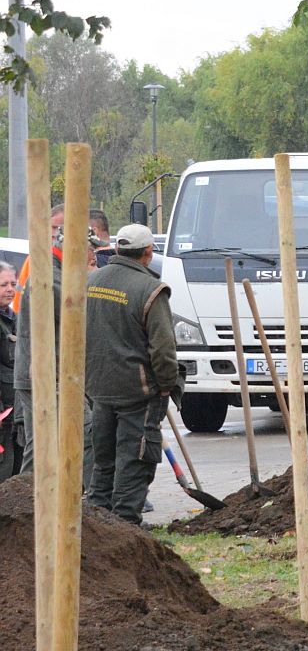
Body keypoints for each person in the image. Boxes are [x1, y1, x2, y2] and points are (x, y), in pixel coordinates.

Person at [84, 224, 180, 526]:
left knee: (104, 458)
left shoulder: (92, 281)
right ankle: (125, 525)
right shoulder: (150, 290)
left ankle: (97, 523)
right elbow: (163, 349)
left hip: (98, 387)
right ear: (149, 253)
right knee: (136, 458)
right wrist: (166, 386)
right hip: (138, 391)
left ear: (117, 249)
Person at [14, 221, 100, 482]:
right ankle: (83, 503)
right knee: (85, 433)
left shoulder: (58, 272)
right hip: (48, 373)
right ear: (76, 246)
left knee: (41, 445)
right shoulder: (53, 277)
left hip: (43, 372)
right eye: (91, 249)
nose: (93, 255)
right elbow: (72, 316)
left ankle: (20, 507)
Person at [0, 262, 17, 480]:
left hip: (15, 410)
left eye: (13, 283)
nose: (10, 289)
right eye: (3, 284)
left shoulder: (13, 318)